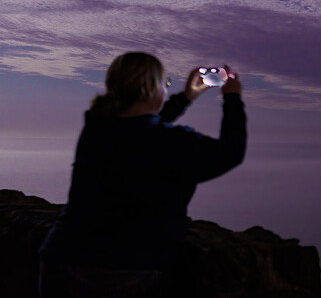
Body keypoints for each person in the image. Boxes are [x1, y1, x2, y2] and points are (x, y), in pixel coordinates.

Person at [39, 51, 247, 297]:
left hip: (63, 257)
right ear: (150, 88)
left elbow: (137, 127)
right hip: (131, 268)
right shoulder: (173, 143)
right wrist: (232, 98)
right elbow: (230, 152)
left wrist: (186, 97)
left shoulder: (97, 128)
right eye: (163, 83)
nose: (165, 88)